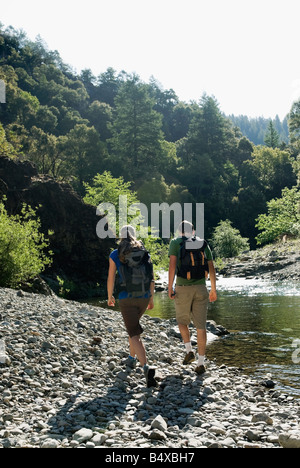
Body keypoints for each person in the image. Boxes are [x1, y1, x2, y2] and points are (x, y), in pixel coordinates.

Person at [107, 225, 157, 387]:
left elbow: (111, 278)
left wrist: (109, 296)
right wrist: (151, 298)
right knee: (132, 326)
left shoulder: (116, 254)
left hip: (126, 297)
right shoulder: (144, 253)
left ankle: (146, 367)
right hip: (143, 296)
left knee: (134, 332)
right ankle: (131, 358)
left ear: (120, 237)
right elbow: (151, 277)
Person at [168, 220, 217, 375]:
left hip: (183, 288)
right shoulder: (202, 243)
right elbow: (211, 267)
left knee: (182, 321)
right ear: (193, 231)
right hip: (201, 288)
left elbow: (172, 266)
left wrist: (170, 287)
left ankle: (189, 350)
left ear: (178, 231)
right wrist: (213, 289)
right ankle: (201, 363)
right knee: (201, 326)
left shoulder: (176, 243)